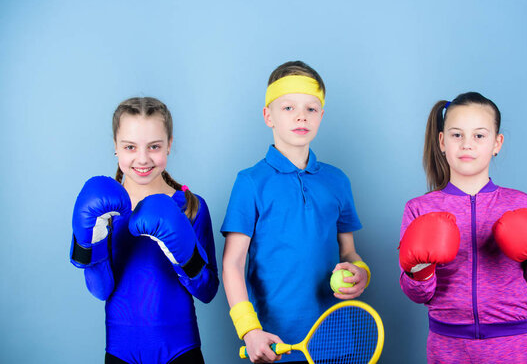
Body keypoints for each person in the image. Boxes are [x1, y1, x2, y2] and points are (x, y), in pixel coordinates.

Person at [398, 92, 527, 363]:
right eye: (456, 135)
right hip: (447, 346)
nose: (467, 145)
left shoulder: (521, 203)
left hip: (513, 345)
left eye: (479, 135)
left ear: (496, 143)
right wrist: (420, 269)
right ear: (441, 141)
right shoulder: (419, 209)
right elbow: (417, 294)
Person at [221, 61, 371, 363]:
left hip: (334, 339)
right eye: (288, 108)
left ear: (321, 116)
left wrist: (362, 273)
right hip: (273, 342)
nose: (301, 115)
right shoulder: (250, 182)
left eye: (311, 109)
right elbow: (232, 264)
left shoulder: (337, 181)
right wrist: (249, 330)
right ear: (268, 116)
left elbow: (349, 253)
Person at [70, 97, 219, 364]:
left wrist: (183, 254)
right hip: (120, 352)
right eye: (130, 146)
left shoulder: (190, 207)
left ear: (169, 144)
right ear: (115, 147)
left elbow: (208, 291)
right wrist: (95, 235)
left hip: (181, 350)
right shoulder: (102, 211)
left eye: (154, 146)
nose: (142, 158)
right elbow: (100, 290)